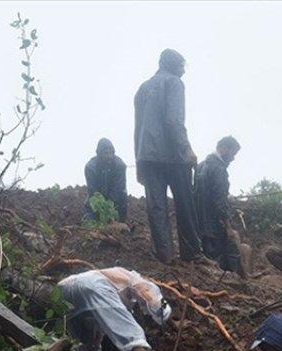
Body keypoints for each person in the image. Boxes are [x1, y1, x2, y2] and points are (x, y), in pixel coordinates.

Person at [134, 49, 200, 263]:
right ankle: (192, 256)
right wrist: (186, 149)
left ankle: (165, 258)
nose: (183, 71)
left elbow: (138, 129)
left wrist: (139, 161)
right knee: (185, 204)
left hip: (147, 157)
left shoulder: (142, 88)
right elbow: (173, 120)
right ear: (171, 64)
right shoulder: (174, 83)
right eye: (181, 66)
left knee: (157, 208)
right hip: (173, 155)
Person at [58, 267, 171, 351]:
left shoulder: (128, 277)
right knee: (134, 334)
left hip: (64, 288)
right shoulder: (141, 289)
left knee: (88, 343)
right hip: (94, 285)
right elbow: (131, 335)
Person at [194, 136, 246, 278]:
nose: (233, 158)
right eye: (233, 153)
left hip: (201, 224)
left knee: (209, 256)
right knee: (231, 250)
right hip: (214, 225)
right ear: (223, 148)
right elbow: (220, 200)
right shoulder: (219, 168)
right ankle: (236, 281)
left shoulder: (201, 166)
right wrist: (228, 226)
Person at [83, 138, 128, 223]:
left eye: (111, 153)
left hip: (116, 201)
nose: (109, 156)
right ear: (99, 154)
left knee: (122, 197)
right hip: (97, 200)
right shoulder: (90, 168)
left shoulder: (120, 166)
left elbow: (118, 188)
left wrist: (109, 208)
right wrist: (101, 207)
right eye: (105, 153)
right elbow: (93, 191)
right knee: (89, 221)